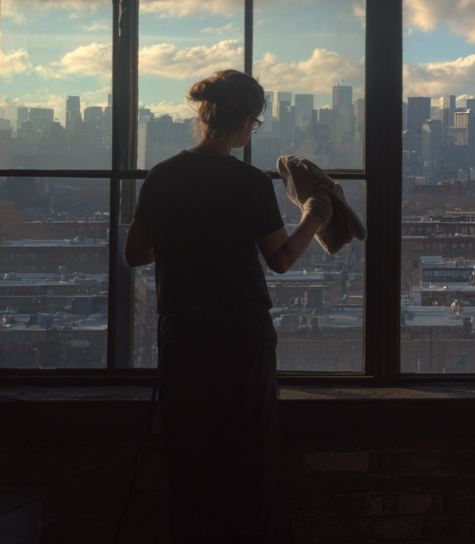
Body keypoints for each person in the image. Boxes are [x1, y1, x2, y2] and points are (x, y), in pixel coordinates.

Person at [124, 69, 332, 543]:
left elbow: (135, 254)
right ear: (244, 120)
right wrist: (313, 217)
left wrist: (183, 238)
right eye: (255, 122)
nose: (252, 132)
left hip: (183, 336)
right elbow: (280, 259)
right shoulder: (248, 183)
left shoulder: (163, 176)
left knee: (189, 460)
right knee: (248, 460)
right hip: (241, 339)